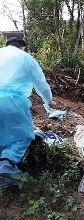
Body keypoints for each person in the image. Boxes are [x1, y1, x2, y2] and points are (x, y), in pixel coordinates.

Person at [0, 37, 57, 187]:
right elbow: (41, 83)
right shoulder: (25, 58)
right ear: (23, 47)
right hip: (13, 102)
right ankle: (6, 164)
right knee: (24, 134)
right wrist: (49, 101)